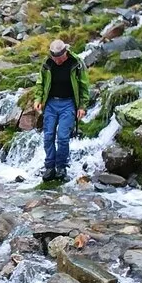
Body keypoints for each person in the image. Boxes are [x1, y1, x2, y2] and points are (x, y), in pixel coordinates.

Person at [33, 39, 91, 182]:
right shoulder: (47, 63)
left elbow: (84, 85)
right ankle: (49, 167)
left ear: (65, 52)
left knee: (63, 137)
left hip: (68, 104)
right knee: (48, 136)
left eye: (59, 58)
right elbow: (40, 83)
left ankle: (61, 167)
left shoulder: (76, 63)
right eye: (54, 58)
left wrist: (82, 106)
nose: (57, 61)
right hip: (51, 103)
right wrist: (38, 99)